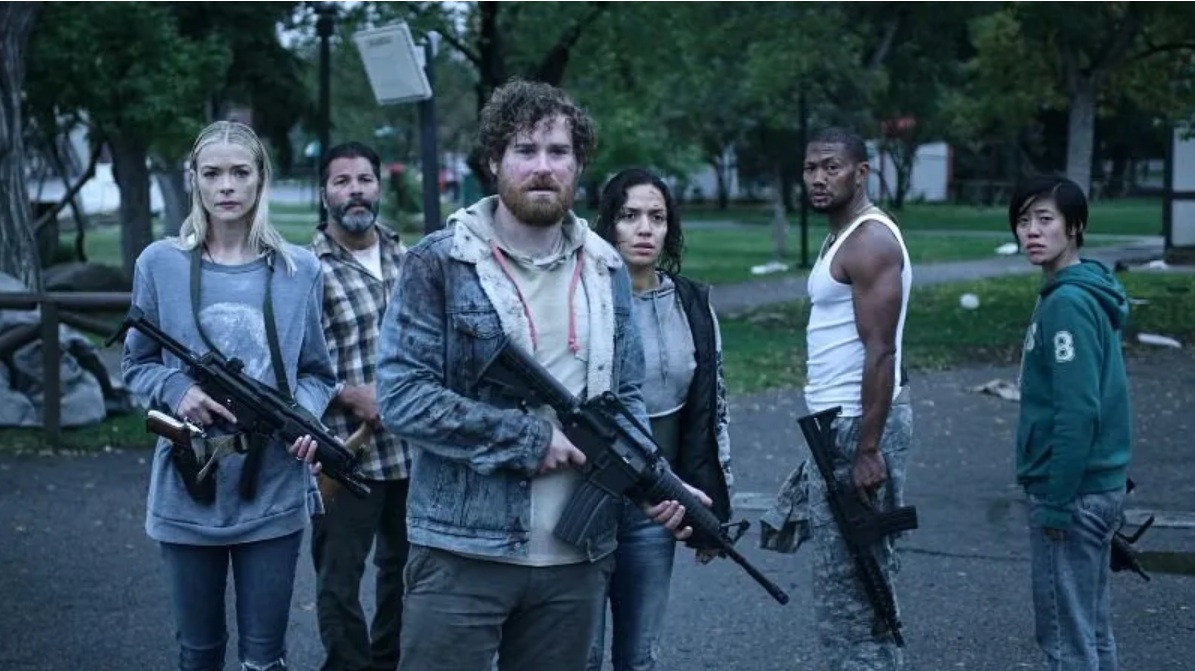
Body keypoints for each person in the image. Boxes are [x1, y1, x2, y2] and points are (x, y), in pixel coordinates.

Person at [375, 79, 708, 671]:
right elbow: (402, 398)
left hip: (576, 561)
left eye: (559, 152)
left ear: (579, 165)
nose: (543, 167)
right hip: (463, 551)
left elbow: (625, 397)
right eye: (525, 150)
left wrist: (658, 482)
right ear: (494, 160)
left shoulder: (606, 269)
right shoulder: (441, 262)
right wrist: (527, 438)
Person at [121, 120, 336, 671]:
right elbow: (137, 364)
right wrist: (177, 389)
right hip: (187, 486)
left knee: (265, 657)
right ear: (193, 179)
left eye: (240, 172)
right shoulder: (159, 264)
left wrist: (302, 420)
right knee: (199, 653)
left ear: (261, 177)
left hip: (274, 488)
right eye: (212, 173)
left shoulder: (299, 269)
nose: (226, 186)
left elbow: (318, 372)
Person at [586, 168, 734, 671]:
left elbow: (713, 412)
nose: (644, 229)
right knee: (580, 654)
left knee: (639, 656)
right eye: (629, 216)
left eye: (657, 217)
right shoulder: (585, 298)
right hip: (589, 496)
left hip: (659, 498)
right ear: (608, 224)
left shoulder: (692, 303)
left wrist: (713, 510)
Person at [801, 126, 913, 670]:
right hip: (839, 423)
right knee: (847, 587)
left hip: (857, 424)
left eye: (832, 167)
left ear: (861, 172)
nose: (819, 178)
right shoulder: (842, 236)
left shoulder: (870, 241)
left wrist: (868, 448)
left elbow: (881, 350)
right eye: (811, 168)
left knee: (857, 593)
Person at [1009, 175, 1132, 671]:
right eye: (1023, 221)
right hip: (1097, 484)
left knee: (1065, 637)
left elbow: (1078, 411)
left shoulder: (1068, 303)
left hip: (1072, 492)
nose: (1032, 231)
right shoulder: (1078, 291)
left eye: (1046, 219)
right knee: (1091, 631)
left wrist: (1057, 503)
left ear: (1075, 226)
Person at [309, 141, 411, 671]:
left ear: (379, 186)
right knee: (339, 578)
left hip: (414, 449)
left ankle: (391, 661)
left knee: (408, 573)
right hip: (346, 455)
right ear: (324, 192)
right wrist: (348, 392)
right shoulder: (304, 269)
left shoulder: (405, 256)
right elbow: (289, 362)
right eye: (342, 181)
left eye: (364, 179)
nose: (355, 191)